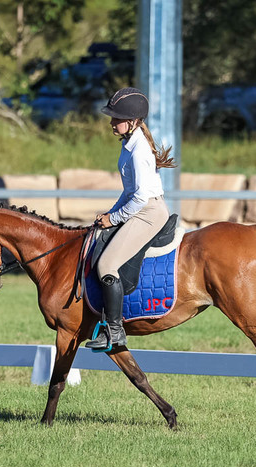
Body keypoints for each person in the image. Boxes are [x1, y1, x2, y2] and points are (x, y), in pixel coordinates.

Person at [85, 87, 176, 351]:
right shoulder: (129, 144)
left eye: (117, 118)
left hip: (148, 212)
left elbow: (140, 198)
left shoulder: (138, 151)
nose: (112, 122)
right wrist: (109, 214)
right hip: (140, 207)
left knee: (107, 265)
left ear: (133, 121)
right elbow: (128, 192)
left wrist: (114, 218)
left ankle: (114, 331)